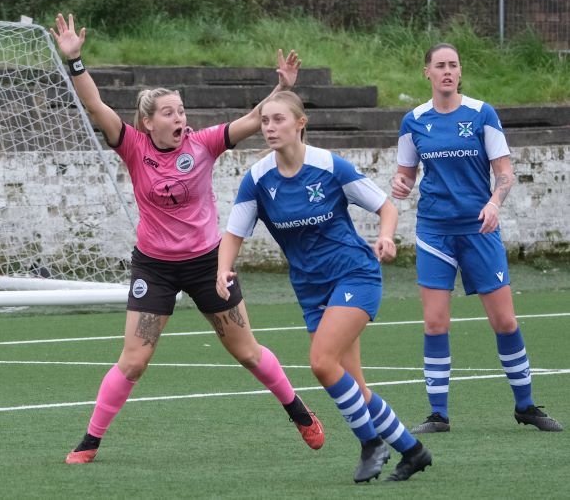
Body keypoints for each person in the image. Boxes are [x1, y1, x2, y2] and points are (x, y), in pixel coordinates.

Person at [49, 13, 325, 464]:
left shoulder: (204, 143)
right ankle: (90, 441)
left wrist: (282, 87)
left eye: (181, 110)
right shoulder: (132, 145)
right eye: (170, 112)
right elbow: (96, 107)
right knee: (134, 360)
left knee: (247, 352)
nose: (181, 117)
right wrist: (75, 61)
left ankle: (299, 412)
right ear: (148, 121)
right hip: (154, 266)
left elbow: (257, 120)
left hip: (207, 264)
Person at [216, 91, 432, 483]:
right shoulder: (258, 179)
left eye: (278, 120)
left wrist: (385, 236)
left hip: (354, 275)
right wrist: (222, 269)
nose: (269, 128)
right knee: (355, 387)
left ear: (301, 123)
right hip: (311, 289)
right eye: (265, 121)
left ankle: (370, 444)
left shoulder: (329, 166)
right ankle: (413, 451)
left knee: (321, 363)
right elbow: (234, 232)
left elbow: (386, 206)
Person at [391, 42, 563, 434]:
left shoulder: (482, 114)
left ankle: (526, 405)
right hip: (435, 231)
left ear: (460, 72)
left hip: (479, 230)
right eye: (440, 65)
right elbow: (405, 174)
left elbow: (504, 172)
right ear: (427, 73)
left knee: (504, 321)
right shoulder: (413, 121)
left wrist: (494, 203)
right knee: (435, 323)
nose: (447, 71)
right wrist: (400, 185)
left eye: (453, 65)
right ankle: (438, 415)